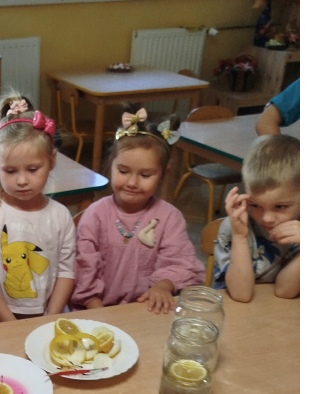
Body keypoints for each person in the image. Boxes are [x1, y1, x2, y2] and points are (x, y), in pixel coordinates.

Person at [72, 107, 205, 313]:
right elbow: (84, 269)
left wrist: (163, 286)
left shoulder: (170, 217)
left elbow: (180, 262)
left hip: (147, 310)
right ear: (111, 164)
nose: (132, 183)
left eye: (145, 175)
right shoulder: (95, 215)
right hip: (95, 310)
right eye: (123, 171)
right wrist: (97, 309)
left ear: (163, 174)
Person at [0, 93, 75, 324]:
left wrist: (49, 319)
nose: (21, 181)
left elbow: (66, 272)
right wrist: (12, 326)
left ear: (52, 161)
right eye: (10, 171)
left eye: (32, 169)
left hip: (49, 312)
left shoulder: (61, 216)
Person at [213, 133, 300, 301]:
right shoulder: (235, 225)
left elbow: (285, 291)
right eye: (255, 205)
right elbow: (241, 294)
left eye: (280, 206)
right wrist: (239, 236)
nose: (267, 218)